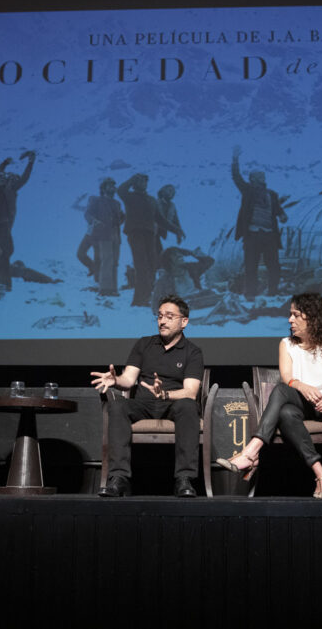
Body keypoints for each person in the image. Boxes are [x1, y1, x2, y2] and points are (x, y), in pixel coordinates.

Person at [216, 292, 322, 498]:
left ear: (311, 316)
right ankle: (321, 474)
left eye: (295, 314)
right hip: (298, 404)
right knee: (285, 411)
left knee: (282, 396)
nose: (290, 320)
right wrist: (303, 386)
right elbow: (287, 378)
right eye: (290, 314)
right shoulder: (287, 344)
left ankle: (251, 452)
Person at [91, 295, 204, 497]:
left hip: (172, 405)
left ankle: (184, 479)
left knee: (188, 406)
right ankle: (119, 478)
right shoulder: (144, 344)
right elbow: (128, 379)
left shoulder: (192, 352)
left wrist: (165, 394)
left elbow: (191, 391)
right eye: (160, 316)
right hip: (143, 404)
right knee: (117, 406)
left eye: (169, 316)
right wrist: (115, 381)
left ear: (184, 321)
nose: (162, 321)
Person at [231, 145, 288, 300]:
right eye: (258, 176)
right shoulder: (248, 191)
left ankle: (273, 292)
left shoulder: (272, 194)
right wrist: (235, 159)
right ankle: (250, 294)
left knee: (274, 265)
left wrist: (283, 215)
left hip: (269, 235)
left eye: (262, 176)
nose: (262, 177)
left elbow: (277, 211)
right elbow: (236, 177)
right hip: (253, 234)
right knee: (251, 266)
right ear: (252, 179)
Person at [118, 173, 176, 306]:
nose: (144, 183)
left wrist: (176, 230)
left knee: (152, 266)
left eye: (145, 181)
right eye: (141, 181)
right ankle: (139, 299)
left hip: (150, 235)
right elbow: (120, 190)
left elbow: (160, 219)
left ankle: (147, 296)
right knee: (141, 266)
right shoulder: (130, 196)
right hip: (136, 234)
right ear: (135, 183)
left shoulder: (151, 200)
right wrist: (132, 179)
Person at [0, 150, 36, 290]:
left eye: (8, 177)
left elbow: (24, 178)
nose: (5, 177)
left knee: (5, 252)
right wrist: (4, 164)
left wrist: (30, 162)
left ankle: (4, 285)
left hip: (4, 225)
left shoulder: (10, 189)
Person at [77, 177, 124, 295]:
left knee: (113, 261)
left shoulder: (117, 203)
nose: (113, 188)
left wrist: (119, 221)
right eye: (109, 185)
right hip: (100, 234)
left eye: (114, 185)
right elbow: (88, 213)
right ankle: (105, 288)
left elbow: (122, 217)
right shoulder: (96, 200)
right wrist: (94, 221)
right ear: (103, 188)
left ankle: (113, 288)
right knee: (106, 260)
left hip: (115, 235)